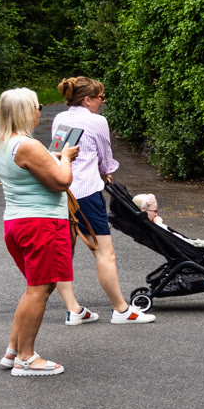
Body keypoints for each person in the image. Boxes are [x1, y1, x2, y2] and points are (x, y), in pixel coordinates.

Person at [51, 77, 154, 324]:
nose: (102, 102)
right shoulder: (97, 121)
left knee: (64, 253)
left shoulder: (60, 118)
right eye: (101, 97)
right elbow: (105, 158)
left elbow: (57, 153)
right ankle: (120, 310)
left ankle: (73, 310)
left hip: (59, 192)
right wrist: (106, 171)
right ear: (87, 100)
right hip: (86, 192)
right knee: (105, 254)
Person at [0, 88, 77, 376]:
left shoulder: (3, 143)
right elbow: (62, 181)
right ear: (26, 111)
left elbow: (31, 171)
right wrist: (66, 158)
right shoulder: (29, 145)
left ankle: (13, 349)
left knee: (37, 288)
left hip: (17, 222)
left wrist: (53, 157)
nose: (41, 111)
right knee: (39, 290)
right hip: (42, 224)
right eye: (37, 106)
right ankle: (26, 358)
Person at [132, 193, 204, 284]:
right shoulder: (156, 226)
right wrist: (159, 223)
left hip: (182, 245)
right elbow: (165, 233)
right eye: (155, 211)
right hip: (188, 246)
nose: (157, 214)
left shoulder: (148, 227)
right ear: (145, 212)